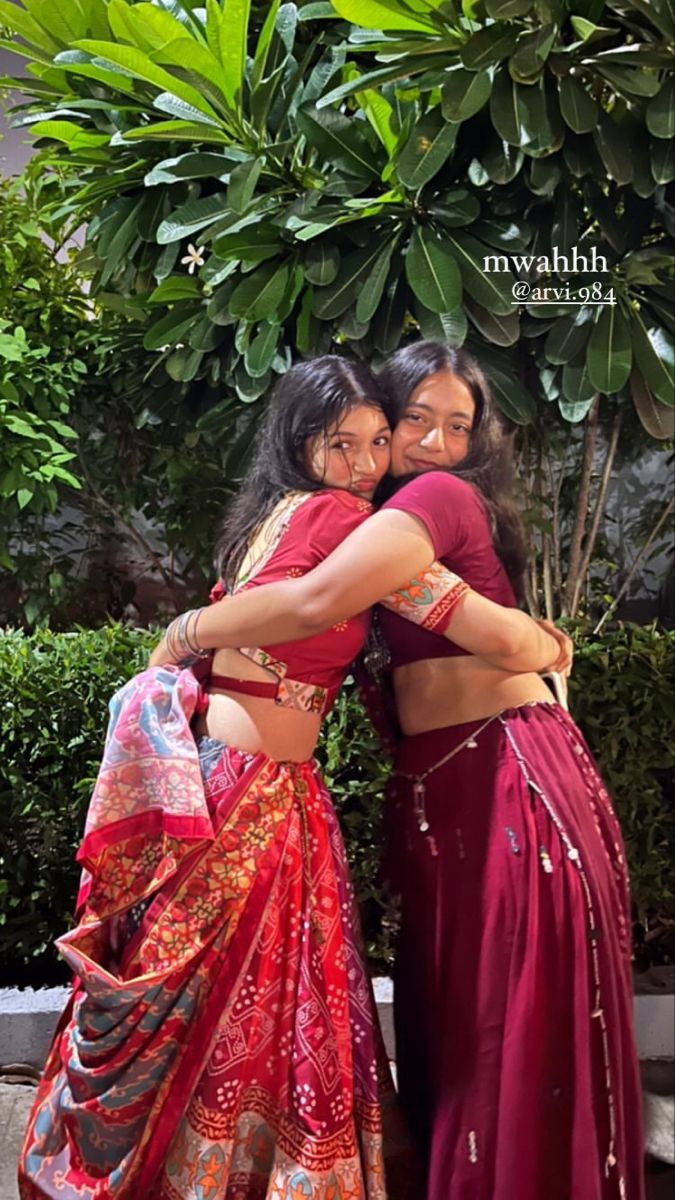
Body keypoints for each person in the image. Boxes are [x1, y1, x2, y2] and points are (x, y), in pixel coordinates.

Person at [19, 354, 563, 1200]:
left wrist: (188, 634)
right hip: (246, 790)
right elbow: (358, 611)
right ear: (299, 443)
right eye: (338, 443)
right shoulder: (338, 520)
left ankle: (200, 1171)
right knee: (222, 990)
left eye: (376, 442)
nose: (362, 464)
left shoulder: (278, 514)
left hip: (255, 782)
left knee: (230, 993)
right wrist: (549, 645)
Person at [148, 342, 643, 1200]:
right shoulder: (358, 523)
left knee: (500, 1033)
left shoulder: (431, 500)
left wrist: (186, 630)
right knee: (458, 1033)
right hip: (452, 787)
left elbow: (314, 604)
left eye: (457, 427)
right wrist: (541, 638)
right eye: (413, 421)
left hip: (510, 780)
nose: (431, 445)